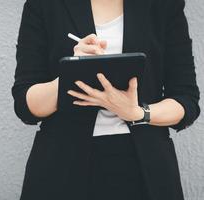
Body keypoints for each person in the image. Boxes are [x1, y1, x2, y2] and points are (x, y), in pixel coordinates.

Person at [11, 0, 201, 199]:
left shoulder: (164, 5)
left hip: (145, 167)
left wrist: (137, 113)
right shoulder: (43, 5)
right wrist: (72, 72)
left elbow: (186, 100)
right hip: (62, 164)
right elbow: (25, 105)